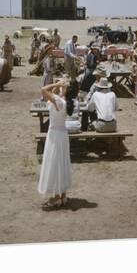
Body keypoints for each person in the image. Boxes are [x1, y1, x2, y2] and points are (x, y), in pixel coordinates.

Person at [38, 79, 79, 209]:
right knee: (60, 163)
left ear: (66, 89)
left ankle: (57, 198)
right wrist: (60, 86)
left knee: (55, 164)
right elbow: (51, 94)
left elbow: (44, 90)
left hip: (55, 135)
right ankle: (62, 195)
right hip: (62, 134)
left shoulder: (59, 101)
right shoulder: (64, 101)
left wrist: (57, 84)